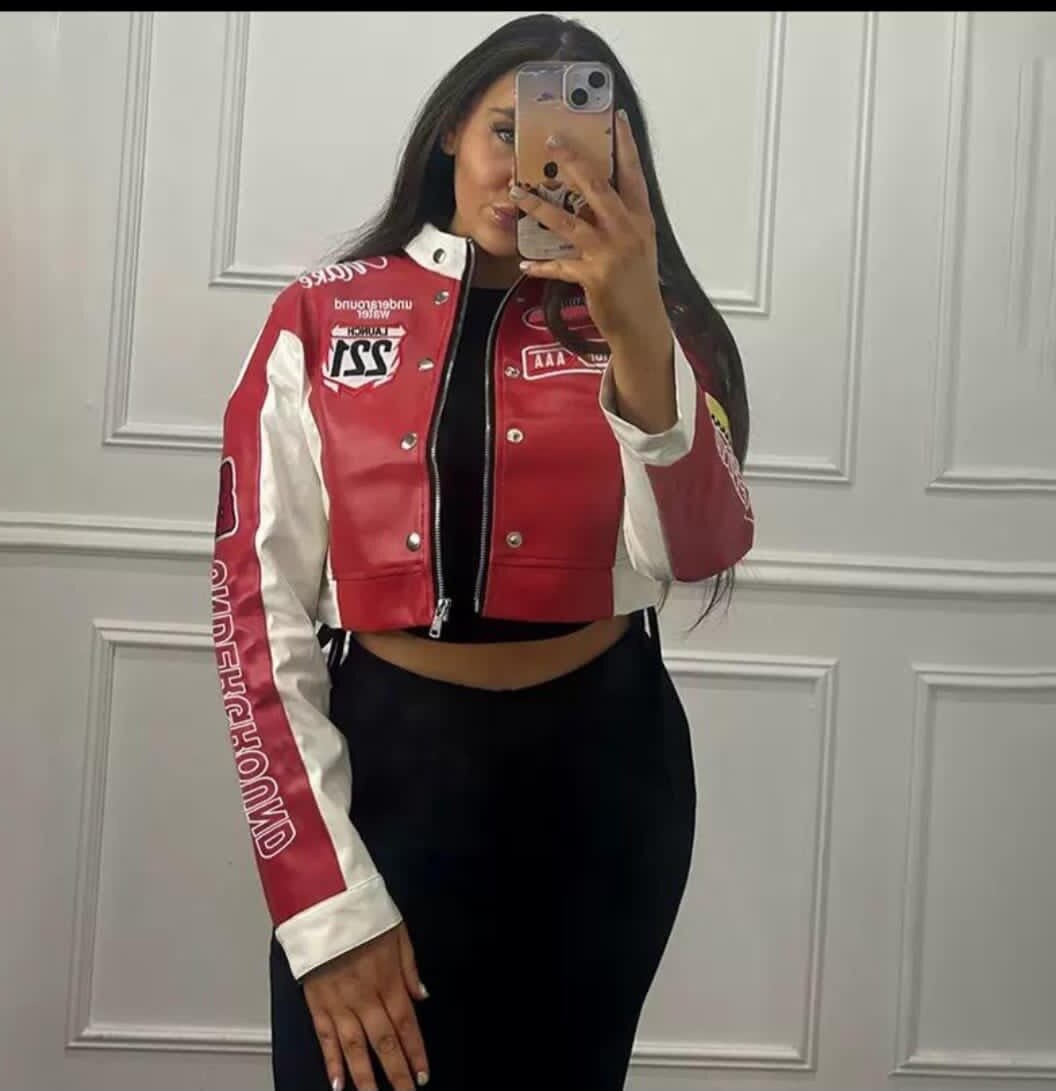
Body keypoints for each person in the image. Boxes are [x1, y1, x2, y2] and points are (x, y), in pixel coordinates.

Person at [208, 12, 754, 1091]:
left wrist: (636, 323)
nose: (528, 170)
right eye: (508, 129)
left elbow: (700, 546)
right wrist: (324, 904)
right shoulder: (321, 314)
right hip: (386, 770)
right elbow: (254, 611)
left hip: (604, 774)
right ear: (453, 126)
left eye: (572, 149)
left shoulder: (657, 325)